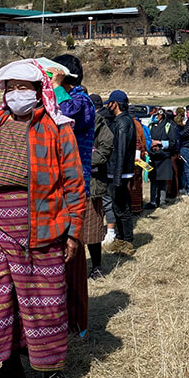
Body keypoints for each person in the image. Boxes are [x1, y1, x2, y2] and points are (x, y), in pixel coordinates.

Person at [0, 59, 86, 378]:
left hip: (39, 227)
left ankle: (53, 377)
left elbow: (75, 185)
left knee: (43, 302)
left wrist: (73, 234)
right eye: (10, 86)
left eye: (24, 86)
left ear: (38, 91)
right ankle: (9, 370)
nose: (16, 93)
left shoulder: (57, 129)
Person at [49, 55, 95, 339]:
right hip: (55, 190)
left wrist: (56, 85)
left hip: (74, 190)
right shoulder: (59, 96)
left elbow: (67, 112)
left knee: (73, 258)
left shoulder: (81, 101)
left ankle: (77, 322)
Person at [104, 90, 136, 256]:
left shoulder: (123, 122)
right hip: (117, 172)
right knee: (117, 208)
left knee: (122, 209)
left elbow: (121, 151)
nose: (107, 106)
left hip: (120, 173)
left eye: (109, 103)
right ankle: (121, 240)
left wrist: (117, 177)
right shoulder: (120, 120)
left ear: (114, 104)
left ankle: (128, 242)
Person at [87, 95, 114, 279]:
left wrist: (81, 160)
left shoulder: (99, 124)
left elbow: (104, 151)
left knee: (92, 227)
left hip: (92, 183)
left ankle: (96, 266)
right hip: (66, 184)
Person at [147, 108, 177, 208]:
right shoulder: (151, 126)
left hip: (164, 156)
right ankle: (152, 202)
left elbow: (173, 143)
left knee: (163, 180)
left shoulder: (169, 126)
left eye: (156, 115)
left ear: (161, 116)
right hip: (153, 156)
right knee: (153, 180)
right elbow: (147, 139)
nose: (155, 117)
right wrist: (150, 145)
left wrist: (159, 143)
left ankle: (162, 201)